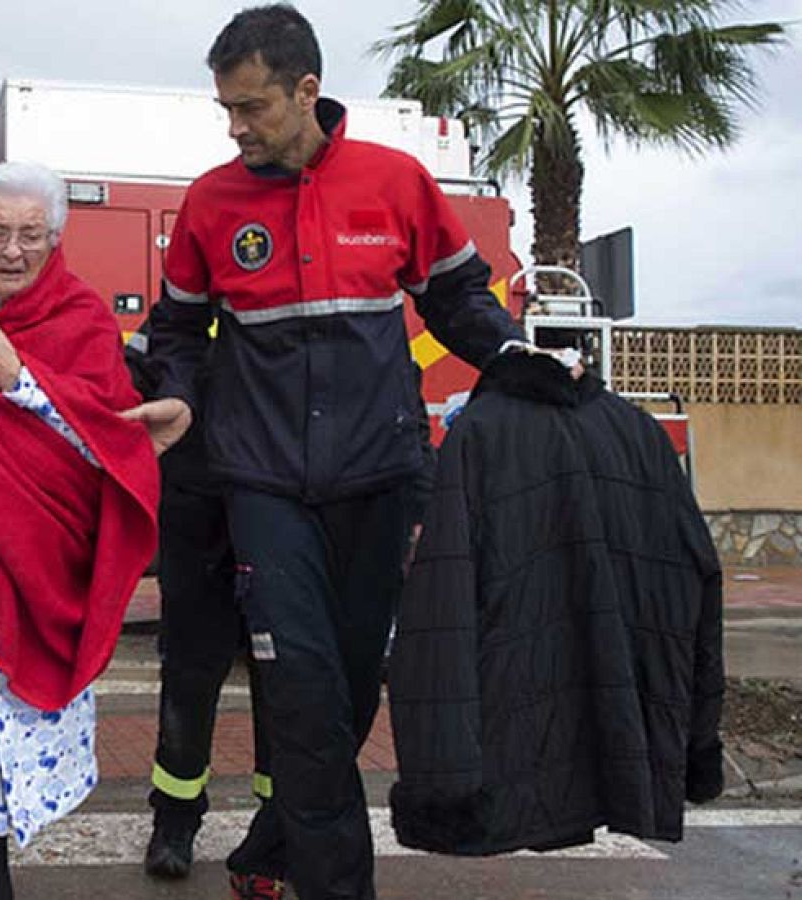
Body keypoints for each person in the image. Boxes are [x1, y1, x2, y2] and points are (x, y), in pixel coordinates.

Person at [124, 7, 546, 898]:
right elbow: (177, 329)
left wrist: (512, 355)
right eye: (226, 111)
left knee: (351, 691)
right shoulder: (210, 201)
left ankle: (266, 855)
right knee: (304, 690)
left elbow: (458, 298)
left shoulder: (395, 183)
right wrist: (179, 395)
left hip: (380, 479)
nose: (236, 128)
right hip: (263, 486)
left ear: (306, 91)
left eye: (253, 108)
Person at [0, 161, 159, 900]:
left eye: (31, 237)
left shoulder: (80, 313)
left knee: (23, 696)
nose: (12, 252)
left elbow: (110, 437)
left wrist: (20, 383)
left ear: (55, 240)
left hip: (45, 549)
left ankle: (7, 831)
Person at [125, 323, 279, 883]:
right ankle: (175, 819)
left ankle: (279, 821)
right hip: (196, 508)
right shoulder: (185, 308)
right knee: (191, 671)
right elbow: (130, 375)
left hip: (279, 504)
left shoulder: (285, 292)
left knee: (283, 674)